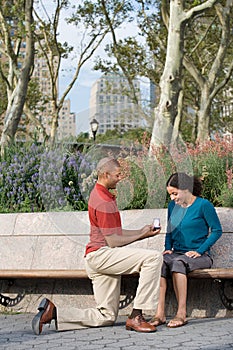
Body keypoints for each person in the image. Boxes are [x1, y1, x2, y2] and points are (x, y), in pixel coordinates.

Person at [32, 156, 163, 335]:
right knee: (153, 258)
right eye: (117, 175)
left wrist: (142, 232)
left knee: (106, 316)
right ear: (105, 174)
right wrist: (140, 234)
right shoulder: (103, 201)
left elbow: (115, 232)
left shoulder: (103, 195)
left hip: (98, 257)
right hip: (101, 255)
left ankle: (53, 312)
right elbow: (113, 241)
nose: (120, 178)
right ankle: (137, 316)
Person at [149, 172, 222, 328]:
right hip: (176, 253)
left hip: (199, 256)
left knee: (178, 262)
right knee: (159, 262)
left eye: (175, 193)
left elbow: (217, 230)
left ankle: (181, 314)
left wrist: (200, 250)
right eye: (170, 195)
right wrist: (167, 248)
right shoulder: (172, 206)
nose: (172, 198)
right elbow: (170, 230)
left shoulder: (203, 205)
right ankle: (159, 313)